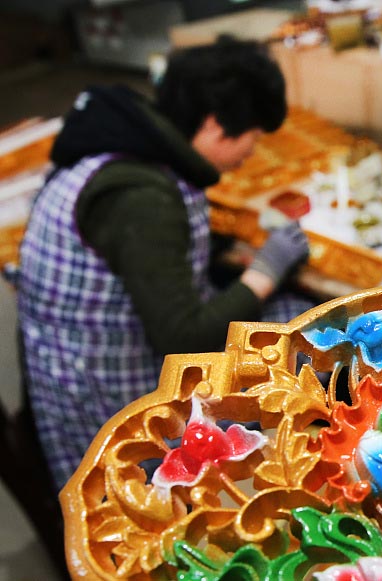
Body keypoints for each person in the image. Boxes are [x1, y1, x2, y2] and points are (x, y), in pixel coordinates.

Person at [13, 40, 313, 489]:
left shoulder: (134, 140)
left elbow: (141, 258)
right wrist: (265, 271)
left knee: (282, 315)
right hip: (104, 390)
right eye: (252, 136)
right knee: (304, 336)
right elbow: (183, 338)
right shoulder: (142, 195)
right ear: (214, 125)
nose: (251, 153)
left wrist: (222, 257)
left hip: (93, 348)